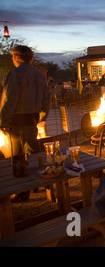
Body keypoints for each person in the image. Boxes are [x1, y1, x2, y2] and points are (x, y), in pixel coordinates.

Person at [0, 45, 51, 201]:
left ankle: (22, 193)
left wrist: (3, 121)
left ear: (16, 57)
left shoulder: (15, 74)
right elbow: (47, 99)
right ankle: (41, 182)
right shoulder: (40, 76)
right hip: (33, 120)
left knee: (18, 156)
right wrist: (42, 118)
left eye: (12, 57)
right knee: (35, 152)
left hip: (17, 121)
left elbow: (9, 100)